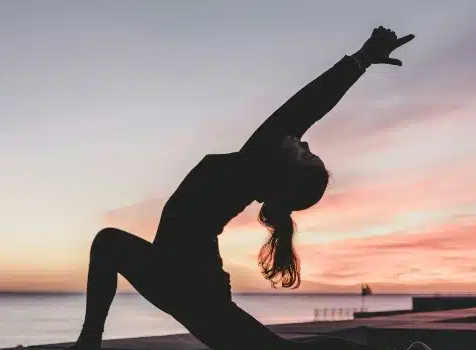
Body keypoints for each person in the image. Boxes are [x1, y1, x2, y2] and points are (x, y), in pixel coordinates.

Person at [70, 26, 424, 350]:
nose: (303, 143)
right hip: (181, 279)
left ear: (285, 173)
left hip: (188, 285)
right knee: (108, 243)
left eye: (305, 154)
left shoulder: (252, 164)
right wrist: (359, 61)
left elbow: (306, 106)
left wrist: (360, 60)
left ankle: (88, 342)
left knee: (108, 243)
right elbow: (301, 113)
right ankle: (88, 341)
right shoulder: (253, 169)